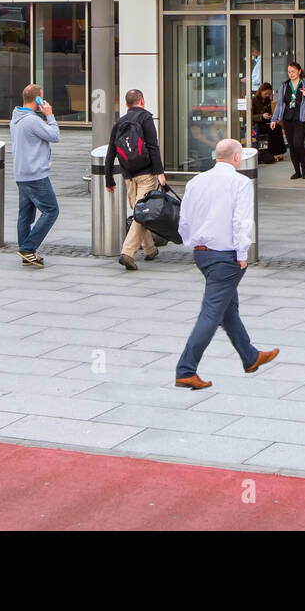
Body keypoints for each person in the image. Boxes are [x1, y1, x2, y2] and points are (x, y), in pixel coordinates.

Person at [174, 138, 277, 389]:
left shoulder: (196, 181)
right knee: (211, 312)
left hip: (202, 253)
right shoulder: (240, 182)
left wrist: (193, 243)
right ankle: (186, 369)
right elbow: (241, 220)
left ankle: (250, 356)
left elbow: (184, 220)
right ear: (236, 158)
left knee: (227, 308)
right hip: (226, 255)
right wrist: (243, 253)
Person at [106, 88, 167, 271]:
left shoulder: (120, 122)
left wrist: (109, 179)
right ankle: (128, 252)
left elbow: (111, 151)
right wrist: (160, 173)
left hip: (128, 176)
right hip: (146, 173)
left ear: (126, 104)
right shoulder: (146, 118)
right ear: (142, 101)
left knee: (141, 212)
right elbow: (153, 146)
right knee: (142, 214)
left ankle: (149, 250)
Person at [10, 83, 60, 268]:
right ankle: (28, 248)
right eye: (42, 97)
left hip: (22, 173)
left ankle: (26, 253)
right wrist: (49, 115)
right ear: (37, 99)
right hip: (35, 175)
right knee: (51, 210)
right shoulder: (32, 120)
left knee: (25, 215)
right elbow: (55, 135)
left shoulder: (15, 118)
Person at [270, 61, 305, 180]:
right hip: (288, 118)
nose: (291, 74)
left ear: (299, 71)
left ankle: (304, 168)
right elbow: (280, 104)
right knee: (291, 145)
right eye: (289, 72)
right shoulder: (285, 85)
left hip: (302, 118)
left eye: (293, 71)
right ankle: (297, 171)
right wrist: (274, 119)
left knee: (298, 143)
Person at [251, 82, 285, 163]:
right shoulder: (254, 100)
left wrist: (272, 117)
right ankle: (273, 152)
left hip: (265, 122)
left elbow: (269, 112)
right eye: (266, 93)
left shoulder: (267, 100)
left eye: (269, 94)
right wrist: (262, 116)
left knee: (277, 127)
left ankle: (280, 151)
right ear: (261, 91)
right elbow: (250, 116)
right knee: (271, 129)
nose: (267, 95)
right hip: (256, 124)